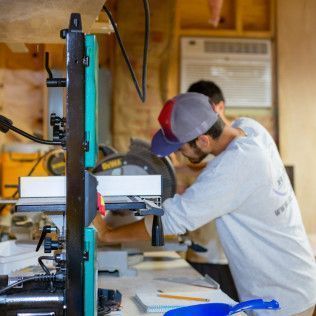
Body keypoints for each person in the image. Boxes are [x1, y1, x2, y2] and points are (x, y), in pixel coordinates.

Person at [93, 92, 316, 316]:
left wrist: (107, 234)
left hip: (282, 298)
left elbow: (172, 220)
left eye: (181, 149)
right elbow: (225, 172)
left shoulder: (232, 168)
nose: (179, 156)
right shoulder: (250, 128)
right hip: (296, 277)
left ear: (203, 140)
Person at [185, 80, 238, 301]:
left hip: (227, 259)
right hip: (198, 253)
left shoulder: (241, 146)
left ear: (220, 107)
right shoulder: (201, 147)